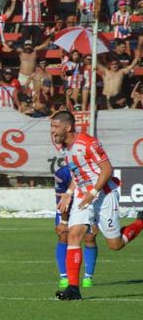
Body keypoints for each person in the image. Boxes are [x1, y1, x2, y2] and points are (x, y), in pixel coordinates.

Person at [52, 111, 143, 301]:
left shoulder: (88, 142)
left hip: (104, 194)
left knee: (115, 244)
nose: (52, 131)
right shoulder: (63, 147)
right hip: (82, 195)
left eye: (55, 127)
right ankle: (73, 288)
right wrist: (69, 193)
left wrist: (93, 192)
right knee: (74, 234)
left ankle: (140, 222)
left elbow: (107, 170)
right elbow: (78, 173)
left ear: (67, 127)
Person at [52, 161, 98, 289]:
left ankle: (88, 277)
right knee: (63, 235)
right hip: (67, 204)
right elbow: (61, 199)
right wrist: (64, 222)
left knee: (90, 237)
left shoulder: (93, 171)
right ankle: (64, 277)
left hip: (89, 203)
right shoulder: (62, 174)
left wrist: (96, 218)